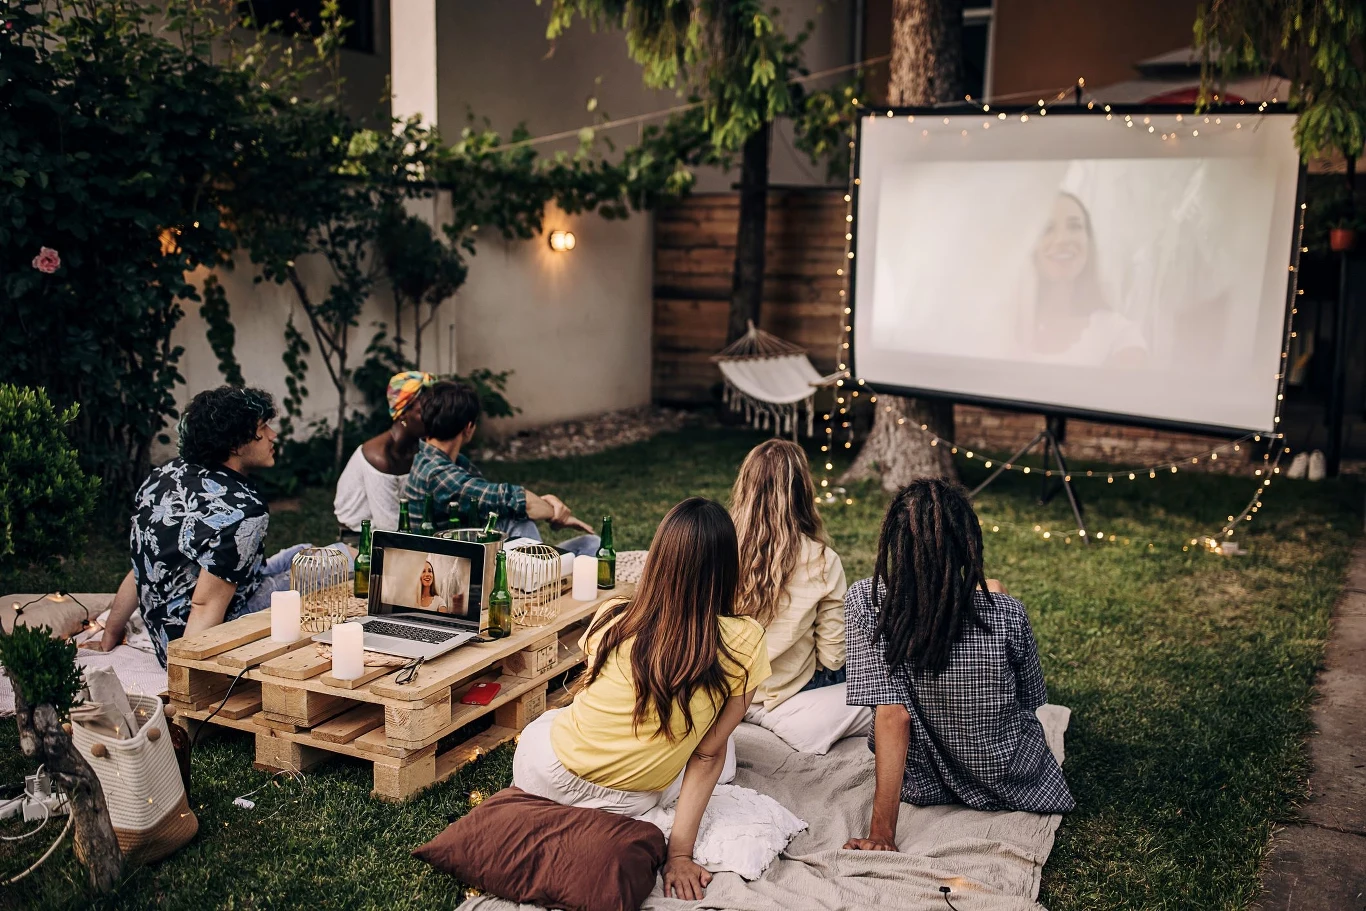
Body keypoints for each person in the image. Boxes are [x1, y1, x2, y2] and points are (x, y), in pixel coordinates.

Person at [512, 498, 771, 900]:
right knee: (722, 748)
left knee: (552, 722)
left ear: (658, 560)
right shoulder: (746, 640)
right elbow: (707, 755)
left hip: (543, 774)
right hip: (627, 803)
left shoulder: (614, 615)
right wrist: (679, 855)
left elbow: (595, 690)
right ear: (726, 567)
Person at [844, 479, 1073, 853]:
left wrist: (881, 834)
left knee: (991, 590)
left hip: (923, 781)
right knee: (994, 590)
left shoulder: (867, 603)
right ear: (968, 544)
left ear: (894, 543)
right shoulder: (1009, 614)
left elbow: (893, 716)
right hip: (1009, 780)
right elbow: (1031, 700)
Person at [98, 386, 349, 665]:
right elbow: (204, 607)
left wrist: (109, 636)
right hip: (195, 639)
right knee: (337, 566)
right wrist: (183, 677)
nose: (273, 435)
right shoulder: (242, 510)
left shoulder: (164, 476)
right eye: (262, 428)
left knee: (307, 552)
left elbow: (141, 568)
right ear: (234, 444)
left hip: (168, 630)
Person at [402, 380, 600, 556]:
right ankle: (541, 577)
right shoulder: (437, 474)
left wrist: (543, 504)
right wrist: (555, 513)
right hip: (452, 569)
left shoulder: (446, 461)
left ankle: (551, 571)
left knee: (591, 544)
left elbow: (494, 500)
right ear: (468, 427)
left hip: (475, 553)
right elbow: (511, 500)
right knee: (518, 521)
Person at [729, 439, 847, 712]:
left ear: (745, 487)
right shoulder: (823, 559)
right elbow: (833, 656)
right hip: (791, 687)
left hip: (728, 686)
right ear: (802, 491)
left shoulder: (718, 545)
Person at [1019, 191, 1145, 367]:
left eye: (1074, 227)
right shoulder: (1001, 329)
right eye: (1047, 228)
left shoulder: (1119, 336)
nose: (1062, 239)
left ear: (1088, 241)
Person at [333, 370, 433, 535]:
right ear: (403, 414)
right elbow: (389, 528)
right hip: (362, 537)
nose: (432, 418)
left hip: (403, 532)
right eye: (424, 412)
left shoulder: (419, 449)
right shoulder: (379, 457)